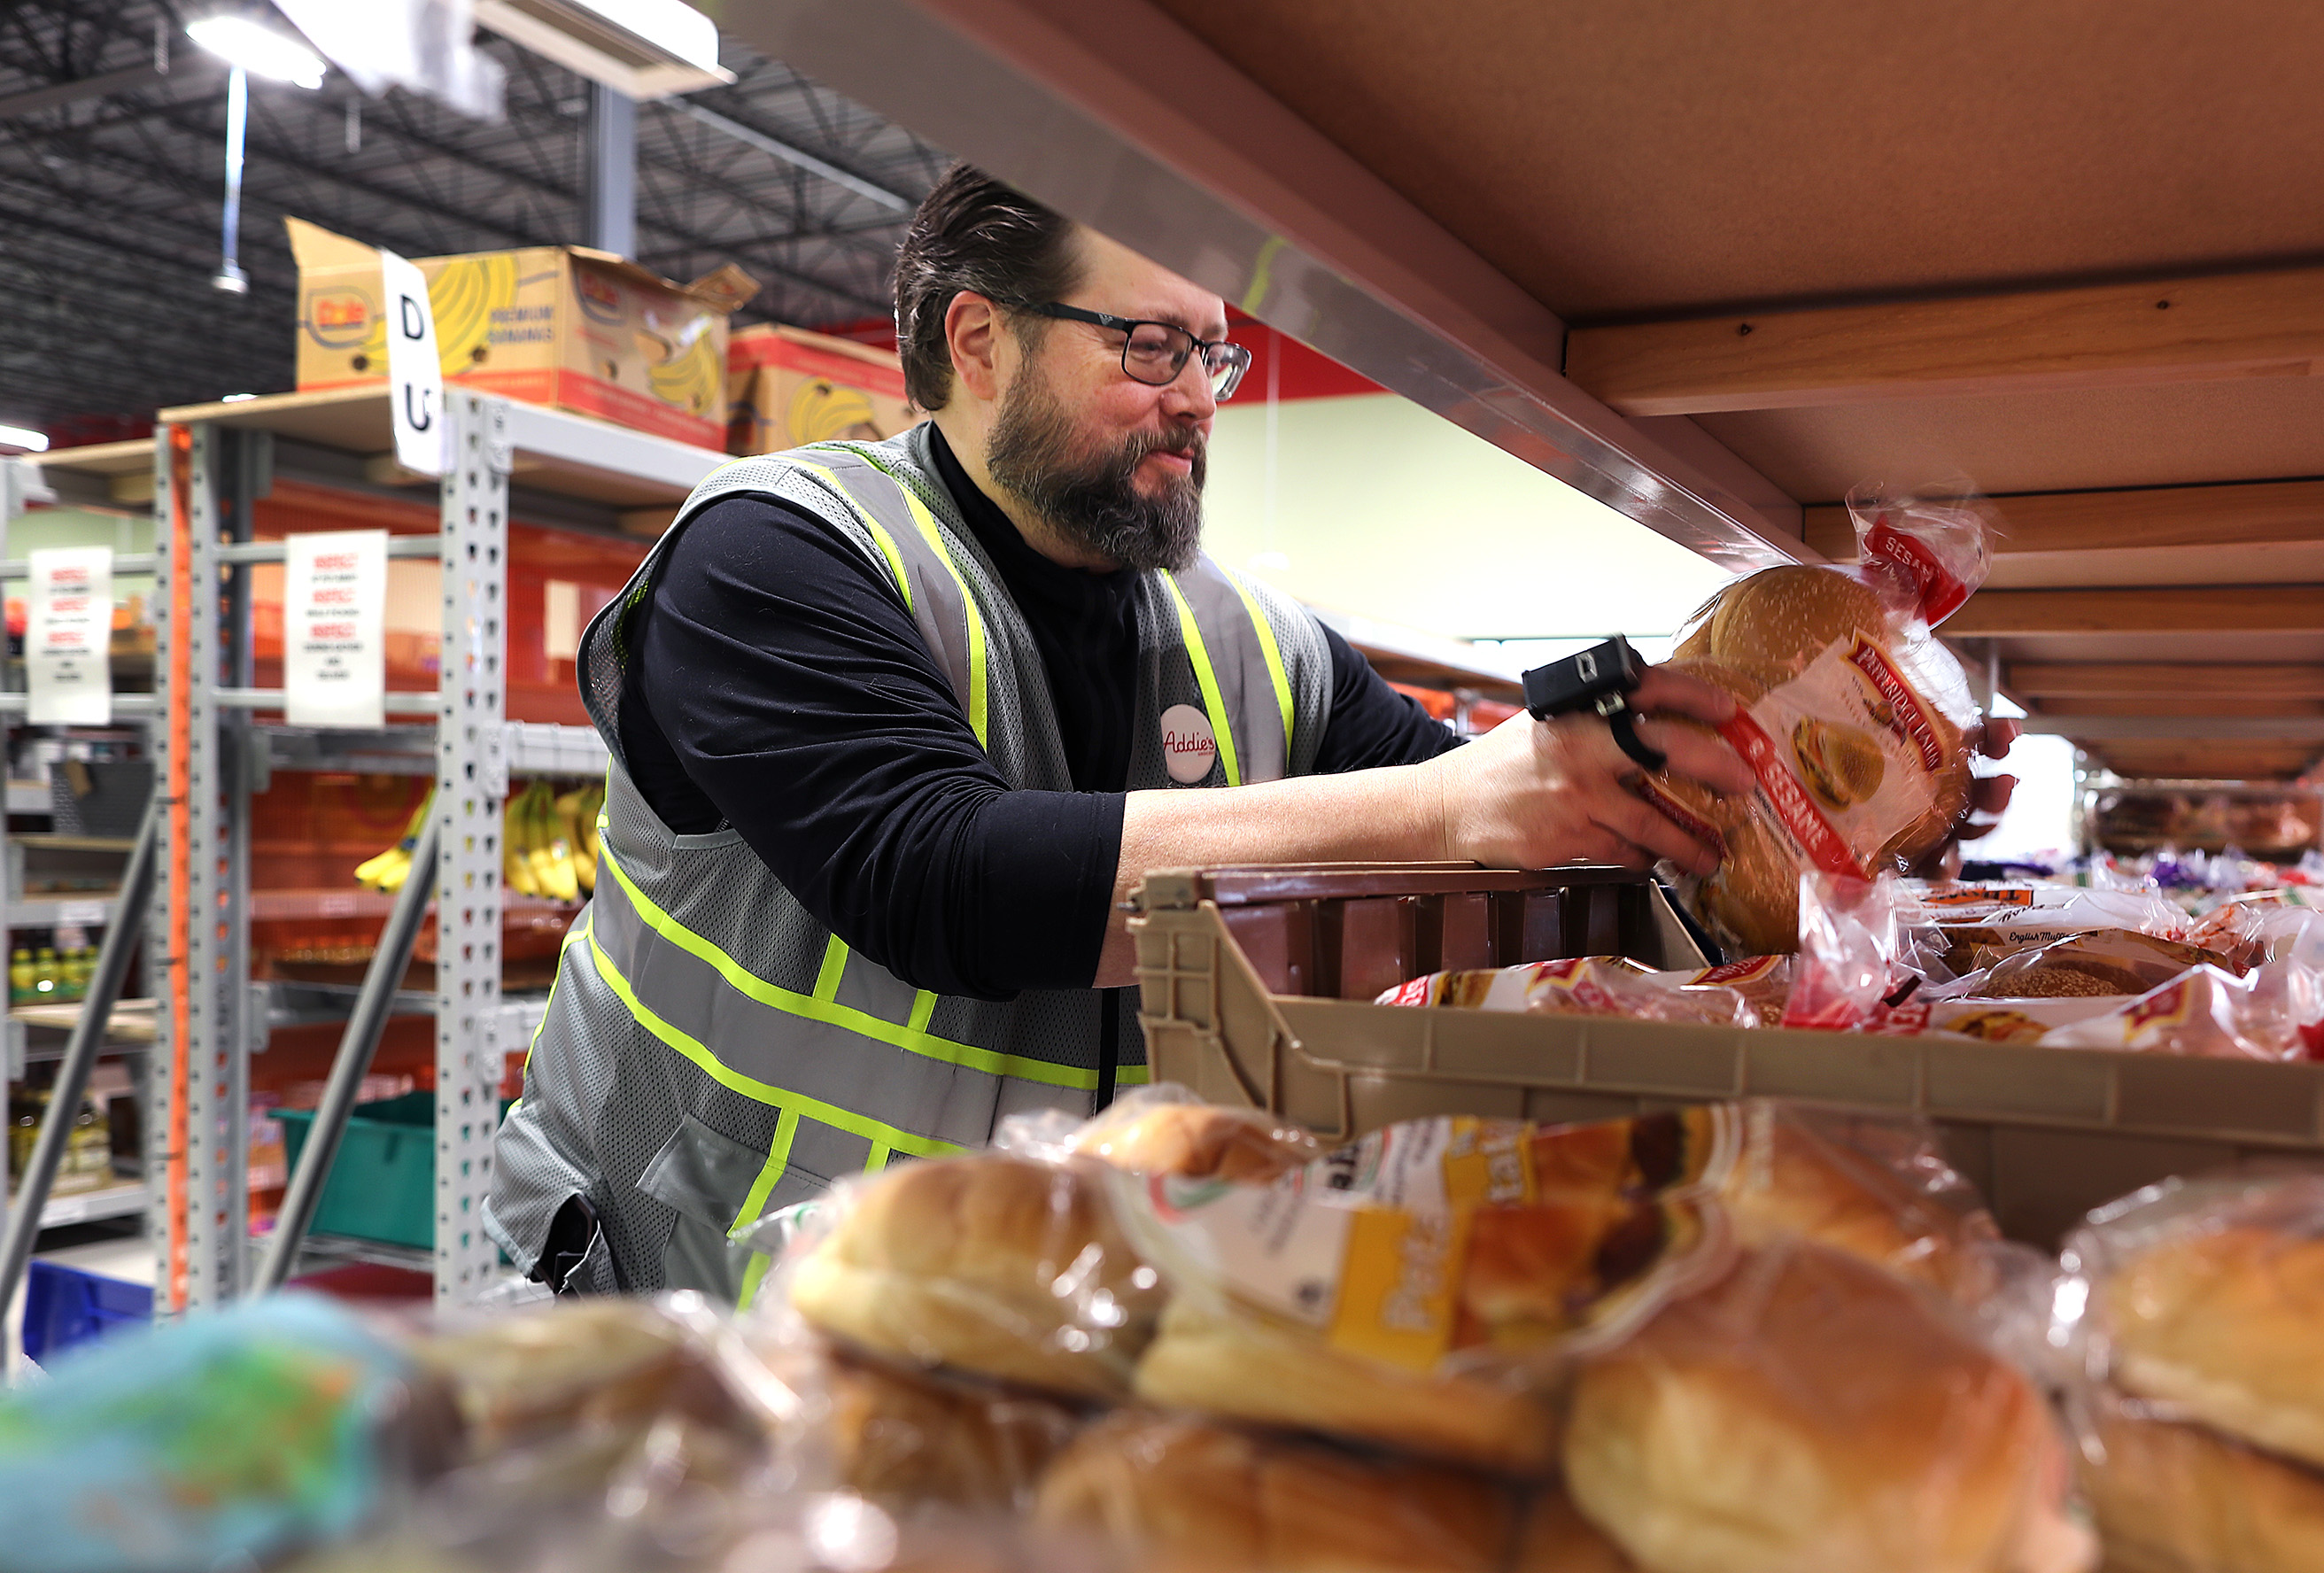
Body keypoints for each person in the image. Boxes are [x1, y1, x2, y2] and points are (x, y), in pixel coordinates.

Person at [490, 163, 2006, 1297]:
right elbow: (932, 880)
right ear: (979, 341)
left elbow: (1514, 823)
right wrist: (1460, 809)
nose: (1201, 397)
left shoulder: (1248, 641)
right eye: (1150, 348)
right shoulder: (776, 553)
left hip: (1003, 1312)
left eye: (1213, 357)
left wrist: (1801, 811)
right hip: (681, 1300)